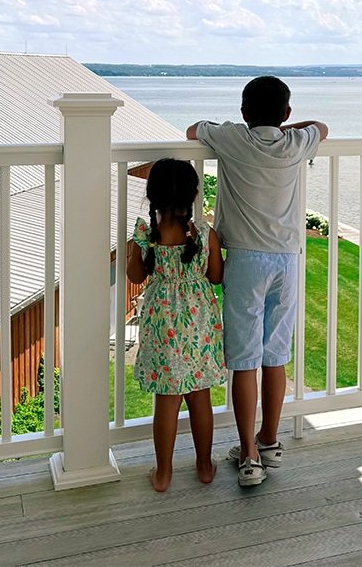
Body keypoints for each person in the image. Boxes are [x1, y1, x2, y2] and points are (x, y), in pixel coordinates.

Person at [187, 76, 328, 487]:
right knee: (275, 353)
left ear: (244, 112)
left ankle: (249, 453)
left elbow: (193, 130)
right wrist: (289, 128)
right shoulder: (295, 143)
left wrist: (244, 128)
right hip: (287, 260)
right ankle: (270, 439)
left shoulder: (234, 139)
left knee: (246, 357)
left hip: (246, 260)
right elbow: (321, 127)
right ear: (286, 114)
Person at [126, 158, 225, 493]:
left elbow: (136, 276)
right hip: (198, 323)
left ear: (152, 196)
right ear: (194, 195)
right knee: (200, 398)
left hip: (160, 325)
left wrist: (135, 253)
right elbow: (216, 276)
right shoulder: (204, 234)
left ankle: (164, 473)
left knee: (166, 401)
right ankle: (204, 466)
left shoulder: (145, 234)